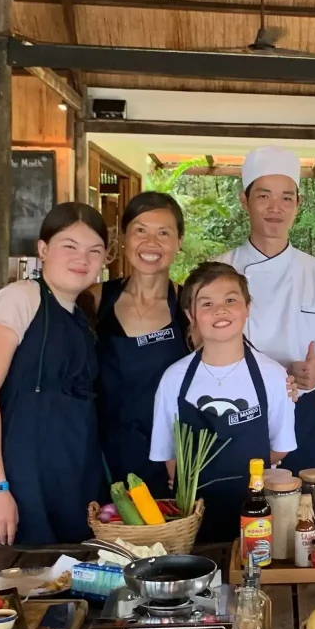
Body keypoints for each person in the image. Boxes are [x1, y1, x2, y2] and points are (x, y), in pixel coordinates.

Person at [0, 202, 108, 559]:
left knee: (73, 588)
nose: (82, 258)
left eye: (94, 250)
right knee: (21, 583)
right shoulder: (20, 298)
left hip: (74, 477)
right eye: (69, 246)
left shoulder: (82, 316)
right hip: (20, 476)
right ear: (43, 250)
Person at [215, 146, 315, 476]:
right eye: (264, 196)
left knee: (314, 514)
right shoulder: (219, 271)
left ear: (298, 205)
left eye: (286, 198)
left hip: (302, 412)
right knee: (239, 512)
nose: (275, 208)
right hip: (235, 411)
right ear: (244, 201)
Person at [150, 262, 296, 543]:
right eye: (206, 304)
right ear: (190, 315)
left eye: (231, 300)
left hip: (255, 514)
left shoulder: (273, 376)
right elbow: (168, 454)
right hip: (191, 521)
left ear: (247, 307)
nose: (220, 310)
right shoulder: (174, 378)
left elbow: (279, 449)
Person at [92, 192, 189, 499]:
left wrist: (283, 385)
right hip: (100, 457)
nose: (151, 243)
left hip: (167, 461)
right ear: (123, 238)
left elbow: (230, 364)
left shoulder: (191, 305)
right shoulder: (93, 299)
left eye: (163, 233)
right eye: (140, 230)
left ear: (179, 242)